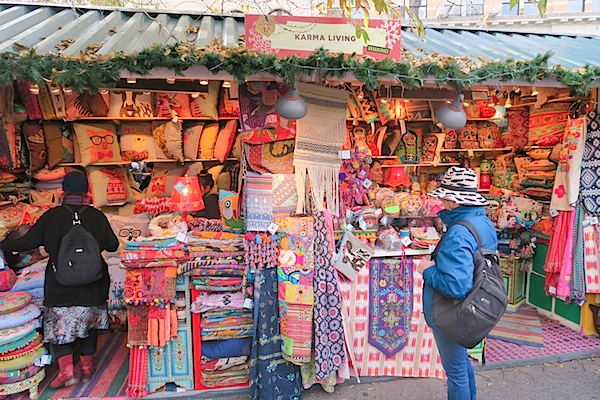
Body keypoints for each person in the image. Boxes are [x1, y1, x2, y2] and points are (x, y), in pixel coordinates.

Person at [0, 170, 118, 389]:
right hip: (93, 285)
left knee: (58, 327)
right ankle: (86, 367)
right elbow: (113, 245)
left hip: (60, 286)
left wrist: (3, 245)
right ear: (86, 191)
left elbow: (26, 243)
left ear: (63, 190)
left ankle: (66, 371)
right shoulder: (96, 216)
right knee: (88, 323)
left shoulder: (51, 217)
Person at [417, 166, 498, 400]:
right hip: (475, 303)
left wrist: (428, 270)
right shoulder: (482, 222)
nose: (441, 201)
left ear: (454, 201)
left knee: (455, 371)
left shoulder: (458, 233)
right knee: (461, 365)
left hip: (452, 312)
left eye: (444, 197)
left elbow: (456, 286)